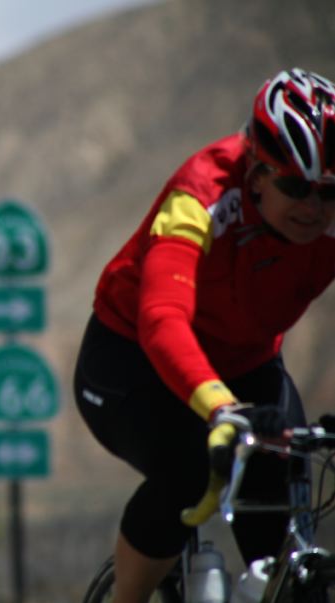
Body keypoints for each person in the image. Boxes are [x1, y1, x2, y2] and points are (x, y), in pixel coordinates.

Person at [73, 67, 335, 602]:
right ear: (257, 172)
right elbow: (161, 318)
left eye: (328, 192)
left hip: (248, 364)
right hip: (132, 360)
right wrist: (218, 408)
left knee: (284, 548)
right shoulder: (201, 195)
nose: (313, 207)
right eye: (294, 186)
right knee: (188, 472)